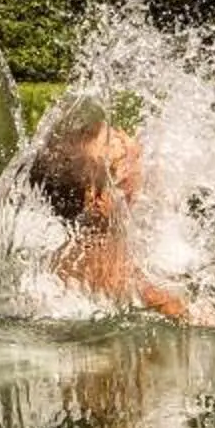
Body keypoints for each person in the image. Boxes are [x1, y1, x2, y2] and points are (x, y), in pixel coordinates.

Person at [26, 115, 190, 319]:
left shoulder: (69, 256)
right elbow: (176, 310)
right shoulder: (114, 266)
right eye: (120, 145)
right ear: (98, 199)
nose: (134, 145)